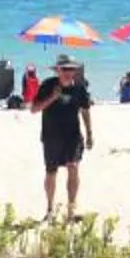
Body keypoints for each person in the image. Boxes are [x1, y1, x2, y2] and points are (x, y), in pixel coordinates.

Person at [35, 53, 94, 220]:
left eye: (72, 69)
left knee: (73, 167)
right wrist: (52, 97)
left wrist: (89, 133)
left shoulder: (79, 88)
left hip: (73, 136)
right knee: (51, 172)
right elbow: (34, 109)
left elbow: (85, 111)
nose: (69, 72)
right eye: (65, 69)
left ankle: (71, 209)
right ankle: (49, 209)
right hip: (51, 136)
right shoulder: (48, 85)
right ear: (58, 70)